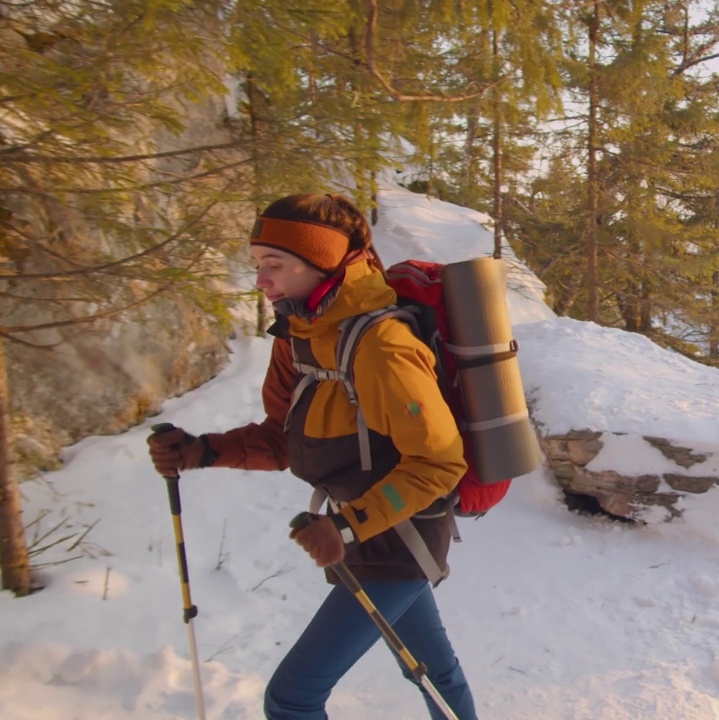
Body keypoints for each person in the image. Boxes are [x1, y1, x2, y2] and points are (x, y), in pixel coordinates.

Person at [147, 193, 478, 720]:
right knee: (434, 673)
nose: (261, 279)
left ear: (321, 261)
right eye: (258, 264)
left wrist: (346, 527)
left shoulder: (383, 347)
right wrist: (202, 450)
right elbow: (284, 437)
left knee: (292, 698)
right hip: (362, 532)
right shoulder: (300, 337)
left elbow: (439, 462)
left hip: (400, 537)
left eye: (274, 264)